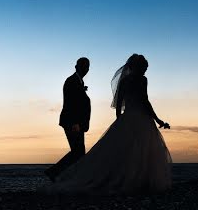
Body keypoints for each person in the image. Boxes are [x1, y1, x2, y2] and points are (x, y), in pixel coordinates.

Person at [50, 53, 172, 194]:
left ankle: (61, 173)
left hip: (126, 117)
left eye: (87, 67)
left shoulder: (124, 80)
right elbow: (145, 101)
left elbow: (119, 103)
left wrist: (119, 120)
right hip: (78, 121)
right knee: (80, 152)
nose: (145, 70)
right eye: (144, 67)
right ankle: (57, 173)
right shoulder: (142, 80)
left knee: (84, 152)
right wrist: (157, 119)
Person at [45, 57, 91, 181]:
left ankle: (64, 174)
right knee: (78, 152)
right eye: (83, 66)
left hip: (78, 123)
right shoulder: (71, 81)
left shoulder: (78, 81)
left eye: (87, 67)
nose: (86, 69)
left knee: (79, 152)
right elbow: (71, 103)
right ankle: (54, 172)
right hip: (72, 122)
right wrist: (75, 122)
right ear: (77, 67)